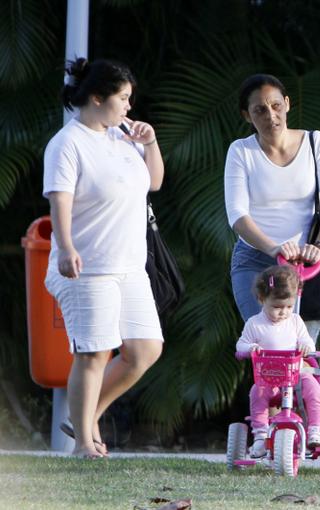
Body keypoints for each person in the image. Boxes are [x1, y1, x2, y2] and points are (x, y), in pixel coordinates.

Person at [43, 58, 164, 458]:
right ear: (97, 98)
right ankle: (82, 444)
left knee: (146, 349)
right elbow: (59, 199)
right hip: (87, 267)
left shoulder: (123, 137)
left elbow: (155, 182)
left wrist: (149, 143)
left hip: (130, 267)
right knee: (94, 352)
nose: (129, 107)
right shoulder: (68, 143)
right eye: (123, 98)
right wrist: (67, 247)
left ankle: (88, 416)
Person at [224, 74, 320, 340]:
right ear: (247, 115)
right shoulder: (241, 151)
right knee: (270, 346)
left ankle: (309, 381)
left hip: (305, 263)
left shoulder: (316, 143)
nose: (270, 115)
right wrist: (273, 247)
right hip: (256, 260)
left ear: (287, 104)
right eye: (259, 110)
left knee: (302, 353)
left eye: (276, 105)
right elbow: (237, 214)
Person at [235, 265, 320, 456]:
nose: (283, 312)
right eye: (277, 307)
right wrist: (250, 348)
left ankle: (315, 431)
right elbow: (240, 345)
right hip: (270, 379)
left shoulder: (295, 321)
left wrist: (306, 347)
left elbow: (307, 341)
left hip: (297, 377)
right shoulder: (255, 324)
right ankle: (260, 435)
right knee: (256, 392)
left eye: (289, 307)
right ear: (262, 300)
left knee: (314, 388)